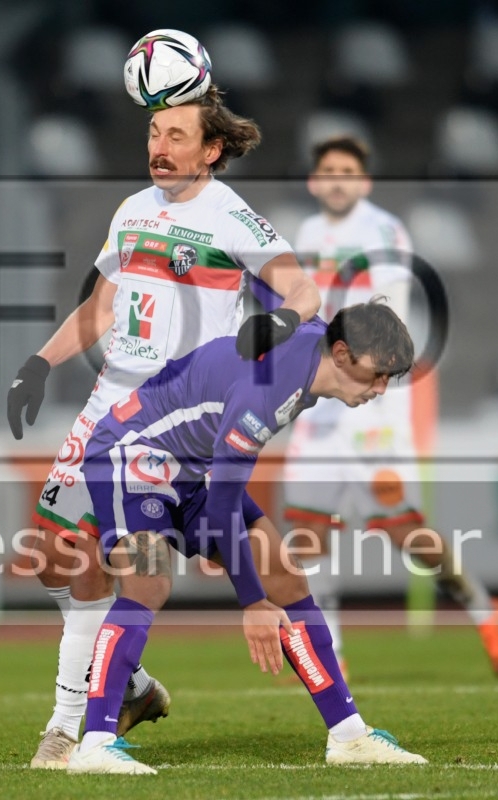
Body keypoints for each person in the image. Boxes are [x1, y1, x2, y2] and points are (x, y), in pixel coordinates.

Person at [7, 84, 321, 768]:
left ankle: (65, 729)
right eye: (154, 133)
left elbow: (304, 290)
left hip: (170, 420)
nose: (159, 146)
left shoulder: (231, 217)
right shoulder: (132, 210)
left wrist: (280, 321)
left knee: (114, 568)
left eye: (177, 135)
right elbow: (99, 308)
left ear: (211, 150)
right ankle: (132, 685)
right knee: (53, 556)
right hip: (107, 403)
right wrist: (38, 363)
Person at [66, 299, 428, 774]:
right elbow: (222, 507)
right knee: (149, 581)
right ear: (341, 353)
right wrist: (253, 603)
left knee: (286, 577)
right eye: (378, 374)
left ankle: (349, 737)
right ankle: (94, 745)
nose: (381, 388)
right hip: (130, 452)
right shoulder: (266, 395)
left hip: (188, 466)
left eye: (389, 378)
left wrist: (286, 309)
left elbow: (298, 296)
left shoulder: (316, 347)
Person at [280, 136, 498, 679]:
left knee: (404, 530)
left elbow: (383, 318)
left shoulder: (383, 232)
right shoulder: (307, 234)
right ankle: (331, 651)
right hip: (320, 400)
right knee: (309, 529)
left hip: (372, 405)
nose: (337, 180)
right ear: (314, 181)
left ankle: (484, 606)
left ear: (363, 181)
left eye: (347, 171)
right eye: (328, 171)